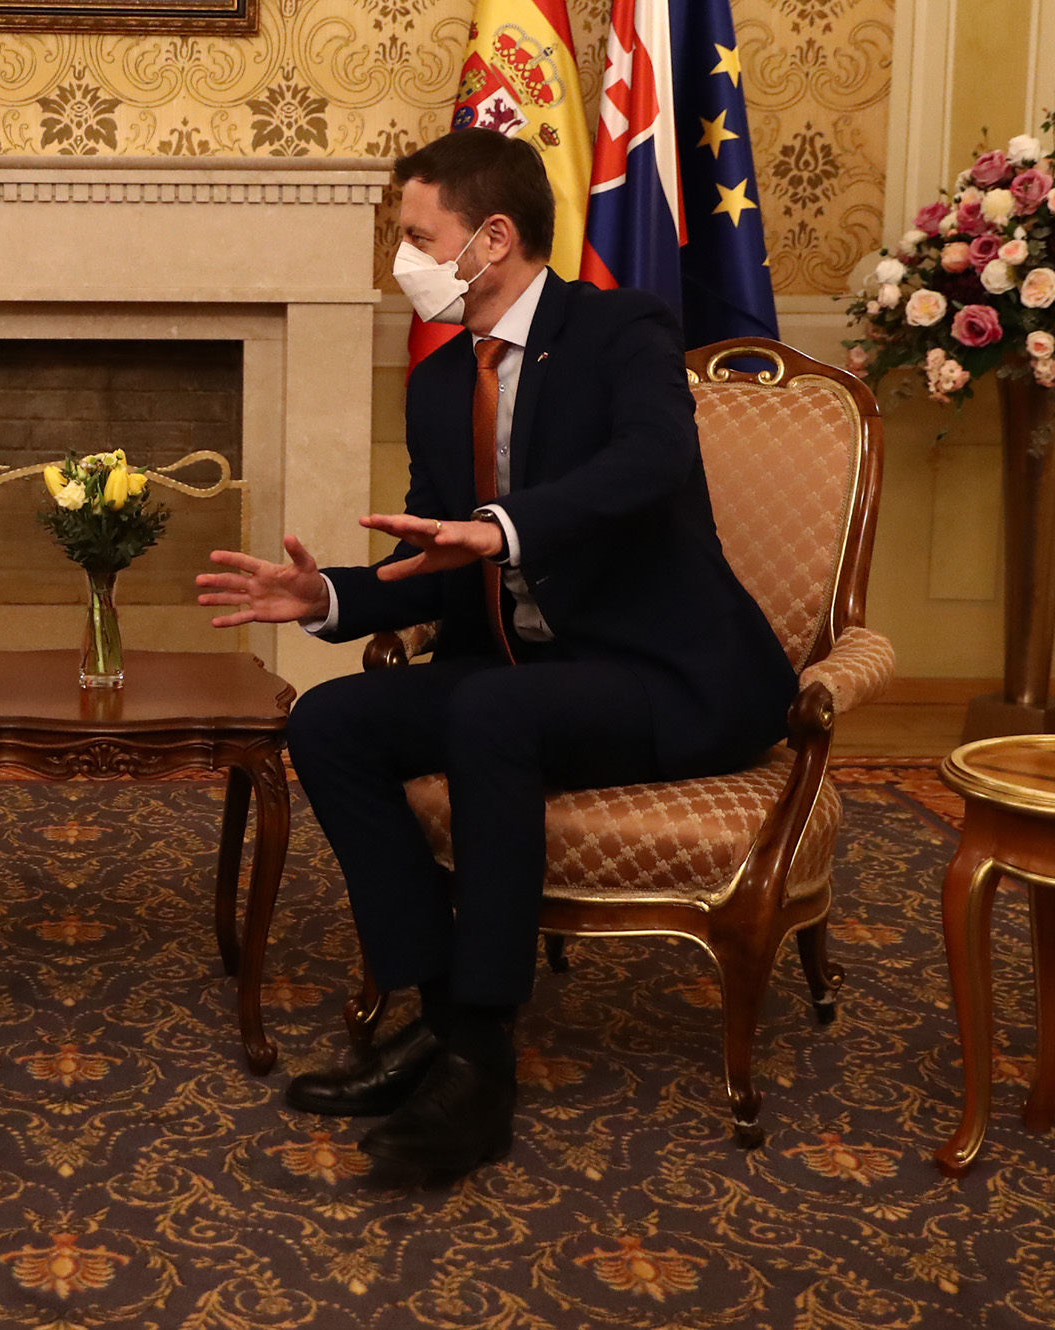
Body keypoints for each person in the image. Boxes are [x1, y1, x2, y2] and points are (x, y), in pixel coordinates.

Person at [195, 128, 796, 1183]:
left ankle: (482, 1058)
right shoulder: (438, 385)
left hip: (666, 675)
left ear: (493, 238)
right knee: (329, 721)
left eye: (418, 237)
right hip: (528, 671)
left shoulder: (620, 328)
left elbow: (650, 465)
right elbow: (437, 544)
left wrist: (504, 526)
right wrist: (327, 592)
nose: (402, 264)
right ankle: (432, 1014)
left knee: (487, 717)